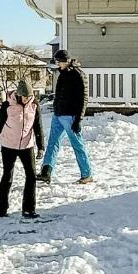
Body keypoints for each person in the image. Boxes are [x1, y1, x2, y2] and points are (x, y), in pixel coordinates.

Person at [0, 80, 45, 218]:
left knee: (31, 176)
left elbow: (38, 127)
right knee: (8, 176)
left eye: (29, 97)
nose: (27, 99)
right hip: (9, 145)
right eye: (24, 97)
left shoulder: (34, 106)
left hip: (26, 145)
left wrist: (41, 147)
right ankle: (2, 209)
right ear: (18, 95)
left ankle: (29, 209)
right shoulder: (7, 105)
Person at [39, 50, 94, 185]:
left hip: (70, 116)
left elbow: (84, 99)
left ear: (65, 60)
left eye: (59, 61)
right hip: (58, 114)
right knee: (52, 143)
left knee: (77, 145)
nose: (57, 64)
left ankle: (87, 174)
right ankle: (46, 172)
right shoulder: (62, 73)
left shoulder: (78, 75)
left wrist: (78, 119)